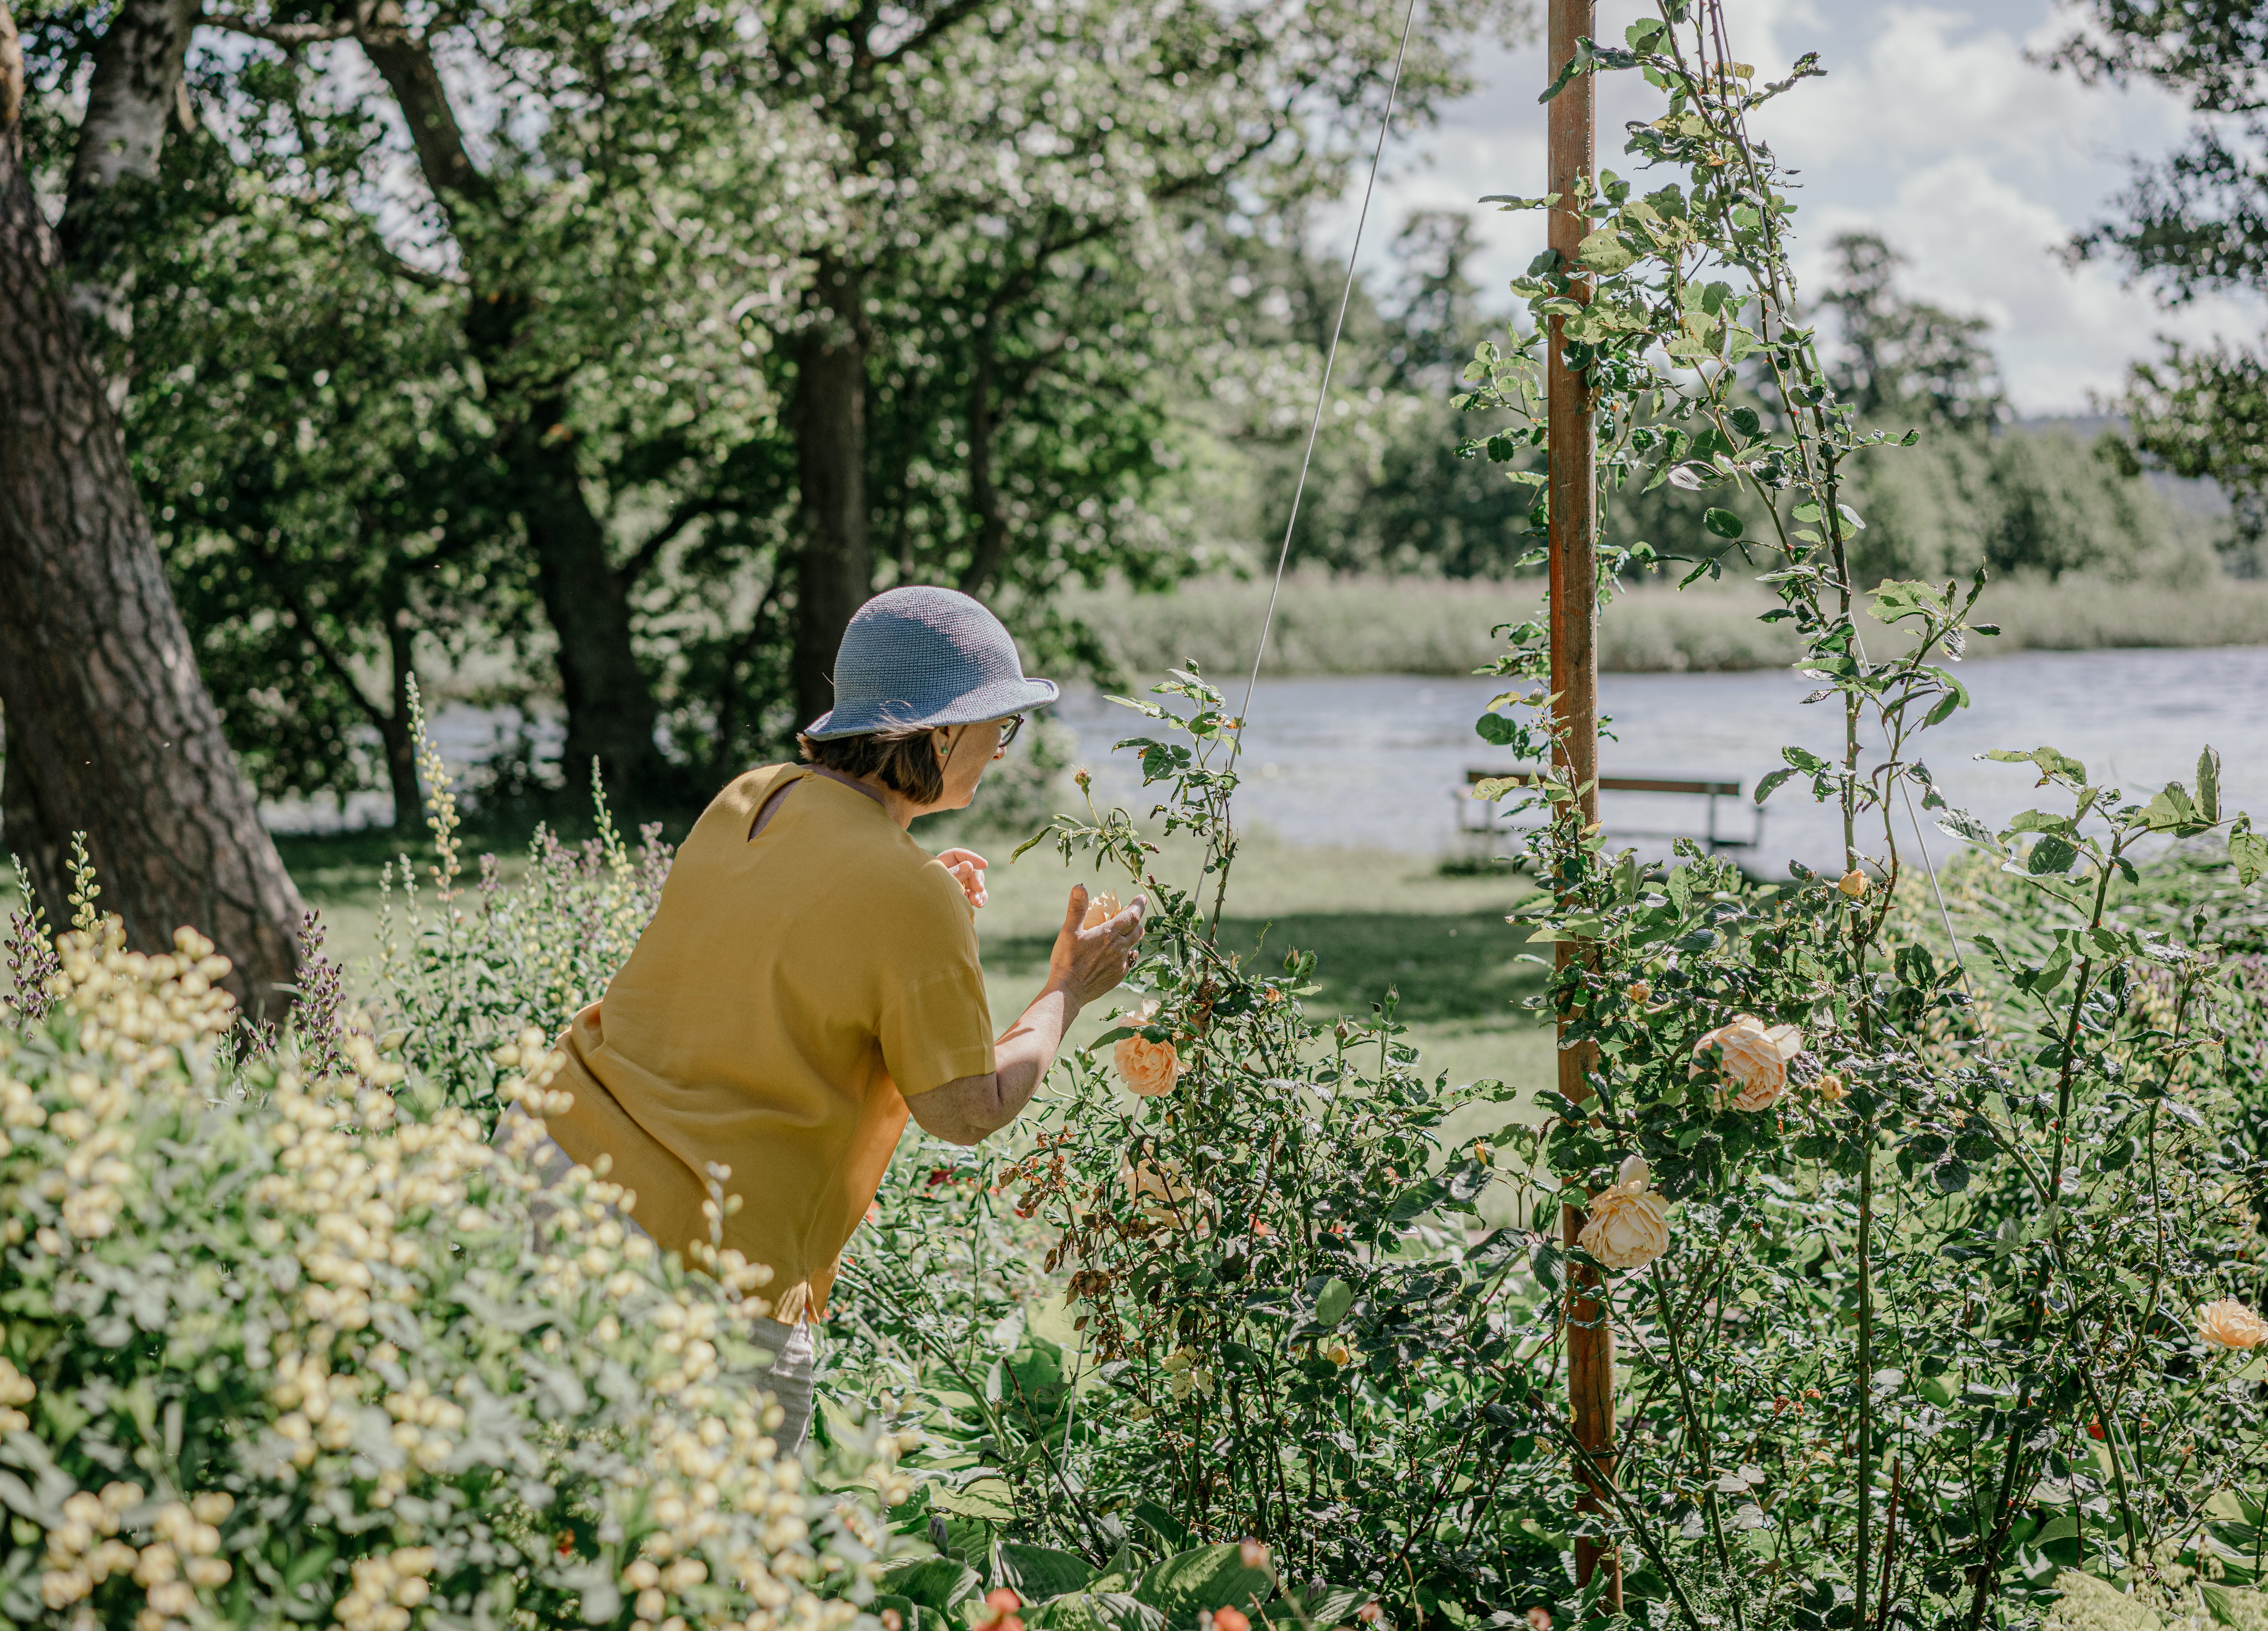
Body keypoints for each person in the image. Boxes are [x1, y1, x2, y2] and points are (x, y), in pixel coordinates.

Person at [509, 586, 1147, 1453]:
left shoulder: (754, 795)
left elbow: (772, 939)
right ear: (940, 730)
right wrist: (1068, 987)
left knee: (532, 1507)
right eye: (1002, 726)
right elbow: (969, 1109)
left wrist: (919, 905)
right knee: (703, 1558)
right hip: (691, 1258)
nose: (1002, 753)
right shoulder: (905, 891)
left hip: (548, 1159)